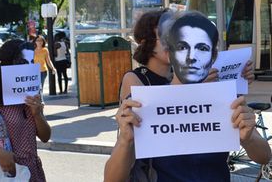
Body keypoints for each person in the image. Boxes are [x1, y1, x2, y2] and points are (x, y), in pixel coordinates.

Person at [104, 10, 268, 182]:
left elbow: (264, 156)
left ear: (213, 55)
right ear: (169, 53)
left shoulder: (225, 99)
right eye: (182, 47)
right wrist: (125, 141)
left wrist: (247, 138)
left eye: (202, 48)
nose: (192, 57)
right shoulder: (145, 104)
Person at [0, 39, 51, 182]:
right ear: (10, 65)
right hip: (6, 174)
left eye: (32, 62)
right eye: (25, 63)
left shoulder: (32, 96)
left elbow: (45, 137)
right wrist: (0, 153)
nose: (30, 67)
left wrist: (37, 114)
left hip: (32, 172)